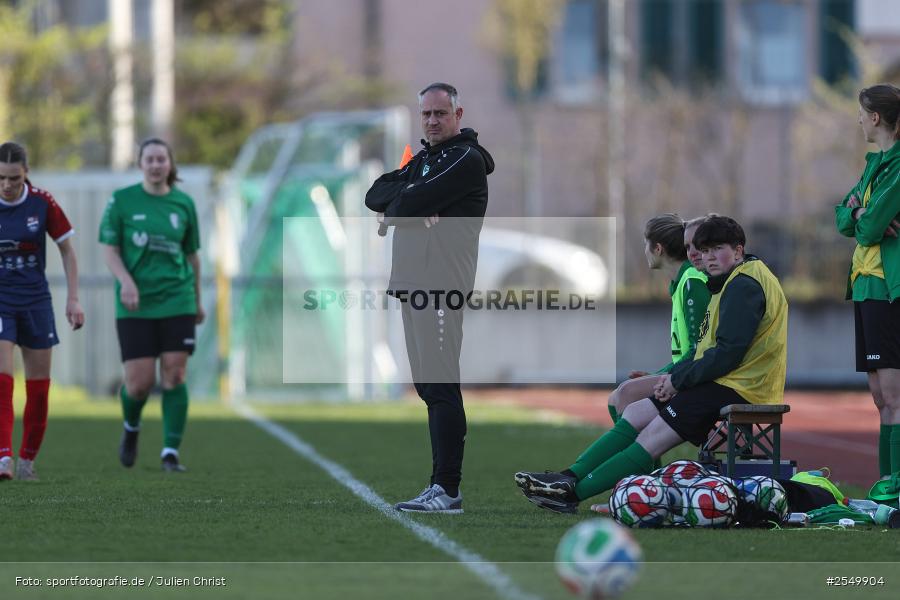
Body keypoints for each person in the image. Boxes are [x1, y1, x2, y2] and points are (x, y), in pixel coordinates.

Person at [515, 216, 787, 513]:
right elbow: (710, 350)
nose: (707, 257)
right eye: (703, 250)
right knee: (637, 410)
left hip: (740, 387)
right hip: (725, 382)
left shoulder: (743, 284)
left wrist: (677, 379)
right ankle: (567, 478)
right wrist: (674, 377)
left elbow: (727, 354)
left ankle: (572, 495)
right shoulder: (731, 281)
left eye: (716, 249)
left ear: (738, 250)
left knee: (653, 435)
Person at [365, 82, 494, 513]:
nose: (433, 121)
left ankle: (448, 489)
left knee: (440, 387)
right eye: (426, 114)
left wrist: (403, 209)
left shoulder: (465, 159)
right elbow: (375, 195)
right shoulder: (424, 160)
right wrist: (409, 208)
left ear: (458, 114)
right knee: (427, 387)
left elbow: (401, 202)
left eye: (440, 113)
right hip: (412, 283)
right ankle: (440, 486)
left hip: (440, 286)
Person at [99, 138, 204, 473]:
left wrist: (197, 300)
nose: (156, 165)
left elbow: (193, 258)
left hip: (178, 298)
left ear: (170, 165)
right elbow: (110, 249)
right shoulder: (122, 201)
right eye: (150, 159)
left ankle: (170, 452)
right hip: (136, 303)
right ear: (140, 163)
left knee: (175, 373)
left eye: (162, 159)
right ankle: (131, 428)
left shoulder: (183, 204)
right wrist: (126, 282)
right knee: (139, 384)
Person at [0, 141, 85, 481]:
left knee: (38, 391)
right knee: (3, 383)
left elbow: (67, 251)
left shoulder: (42, 203)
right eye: (1, 178)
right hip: (1, 302)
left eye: (14, 179)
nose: (7, 185)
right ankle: (3, 458)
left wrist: (73, 299)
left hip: (35, 302)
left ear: (27, 174)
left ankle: (27, 461)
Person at [835, 84, 900, 481]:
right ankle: (886, 488)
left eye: (861, 112)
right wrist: (859, 214)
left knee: (893, 395)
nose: (858, 119)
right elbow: (844, 216)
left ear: (875, 117)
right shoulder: (874, 164)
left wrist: (862, 215)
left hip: (887, 289)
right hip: (864, 288)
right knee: (879, 398)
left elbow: (870, 225)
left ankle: (894, 488)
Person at [607, 215, 709, 423]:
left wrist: (665, 375)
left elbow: (700, 348)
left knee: (626, 393)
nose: (645, 250)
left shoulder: (692, 281)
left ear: (658, 249)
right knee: (615, 398)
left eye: (646, 244)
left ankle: (632, 455)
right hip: (686, 372)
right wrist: (658, 373)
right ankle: (642, 454)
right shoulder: (681, 282)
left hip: (699, 377)